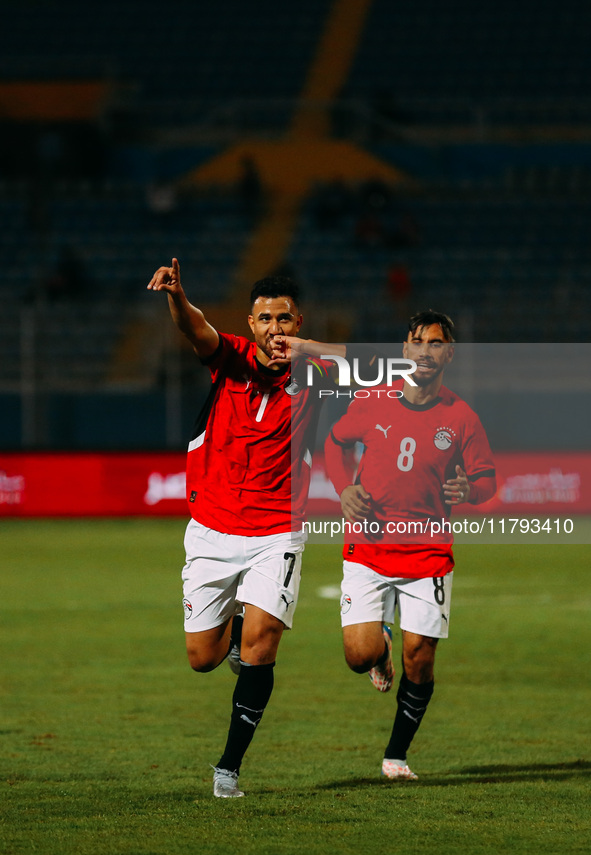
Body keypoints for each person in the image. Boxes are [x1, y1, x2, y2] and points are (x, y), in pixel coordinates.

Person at [146, 258, 334, 798]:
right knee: (202, 659)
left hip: (278, 530)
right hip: (212, 529)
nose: (275, 329)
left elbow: (387, 366)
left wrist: (314, 352)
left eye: (285, 319)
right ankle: (228, 629)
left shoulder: (318, 375)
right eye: (265, 319)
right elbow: (193, 327)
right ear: (250, 324)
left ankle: (228, 768)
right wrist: (178, 296)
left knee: (264, 641)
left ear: (299, 324)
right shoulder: (228, 358)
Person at [323, 310, 496, 781]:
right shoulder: (373, 400)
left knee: (420, 658)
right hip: (370, 546)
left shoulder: (461, 418)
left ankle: (396, 756)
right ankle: (379, 649)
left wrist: (470, 492)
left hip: (428, 552)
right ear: (405, 349)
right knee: (357, 657)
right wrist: (343, 489)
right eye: (417, 341)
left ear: (448, 354)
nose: (424, 350)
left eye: (435, 343)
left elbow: (486, 480)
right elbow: (334, 443)